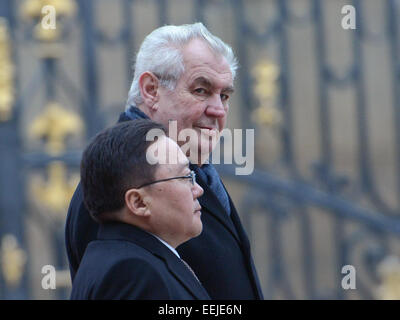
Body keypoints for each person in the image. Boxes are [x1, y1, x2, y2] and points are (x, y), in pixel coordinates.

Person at [66, 22, 264, 299]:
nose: (218, 110)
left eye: (225, 95)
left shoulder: (192, 166)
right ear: (150, 89)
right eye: (201, 90)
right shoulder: (114, 182)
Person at [71, 120, 210, 299]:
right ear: (138, 203)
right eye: (184, 177)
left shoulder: (115, 258)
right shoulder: (132, 272)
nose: (199, 190)